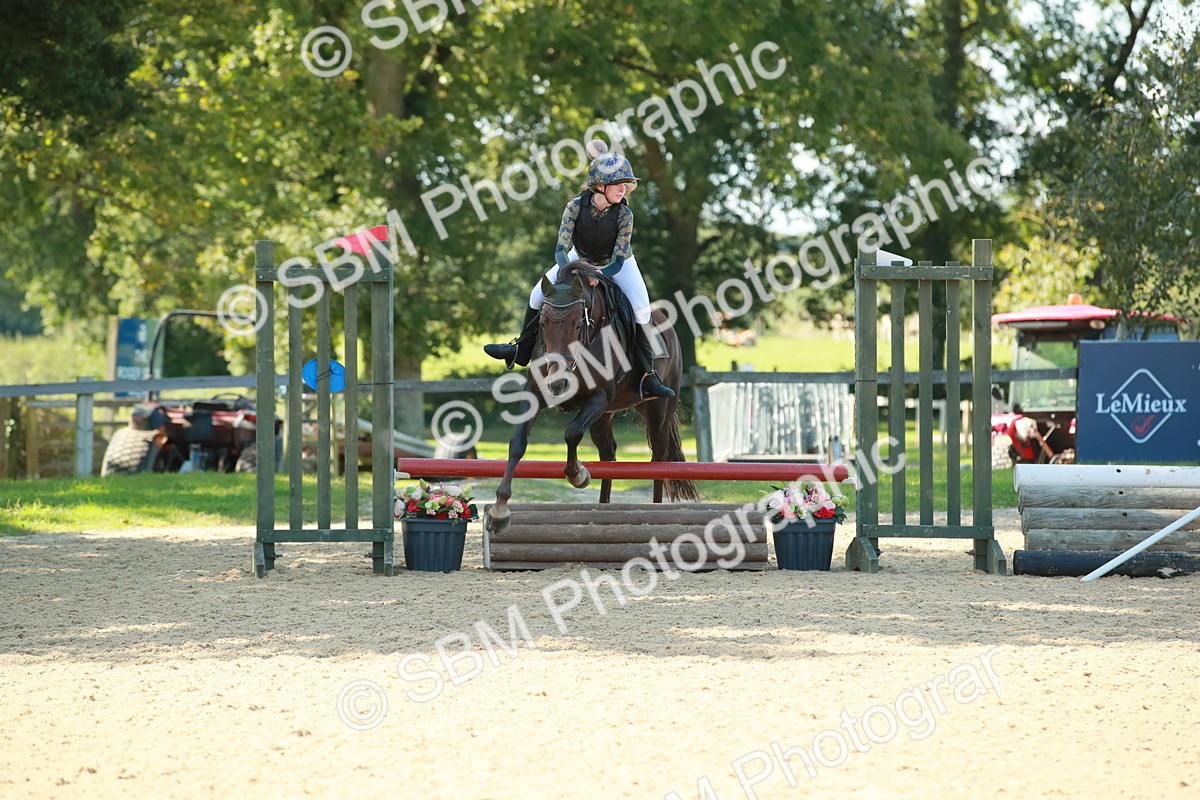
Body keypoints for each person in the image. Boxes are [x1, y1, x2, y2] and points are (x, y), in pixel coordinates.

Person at [482, 140, 674, 399]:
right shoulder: (574, 206)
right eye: (620, 184)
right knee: (536, 295)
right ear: (601, 186)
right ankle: (521, 350)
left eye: (627, 184)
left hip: (617, 264)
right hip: (577, 257)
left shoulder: (625, 215)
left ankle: (648, 376)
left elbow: (617, 260)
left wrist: (596, 276)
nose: (625, 189)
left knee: (641, 311)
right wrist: (578, 271)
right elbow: (561, 249)